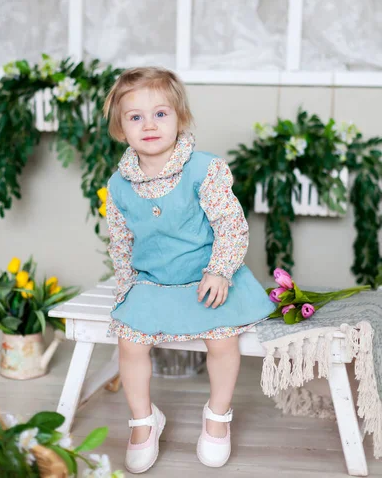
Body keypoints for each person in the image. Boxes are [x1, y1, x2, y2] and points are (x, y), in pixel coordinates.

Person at [103, 66, 275, 474]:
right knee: (130, 343)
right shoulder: (119, 184)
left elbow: (230, 225)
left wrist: (220, 270)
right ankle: (143, 420)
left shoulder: (204, 170)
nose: (149, 125)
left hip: (206, 277)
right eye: (135, 116)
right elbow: (121, 240)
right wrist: (127, 285)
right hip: (152, 282)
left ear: (180, 118)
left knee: (222, 340)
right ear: (120, 127)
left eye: (161, 114)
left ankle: (217, 414)